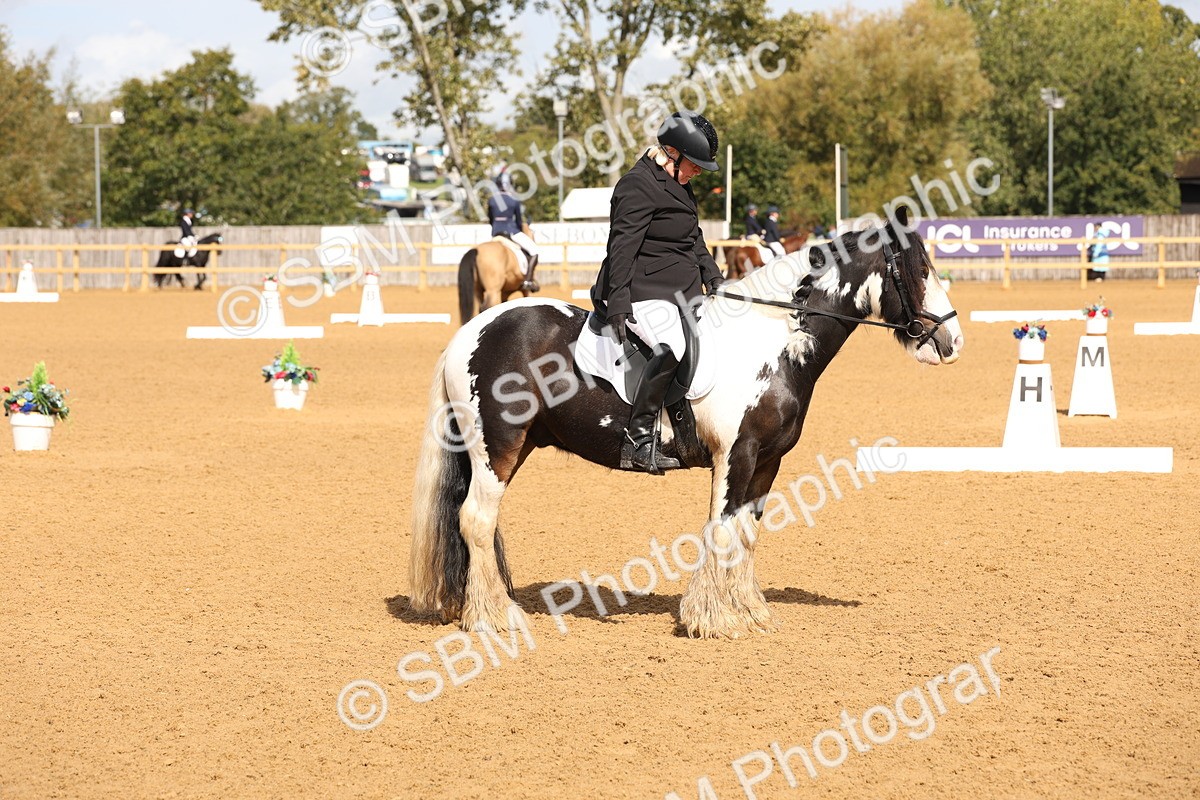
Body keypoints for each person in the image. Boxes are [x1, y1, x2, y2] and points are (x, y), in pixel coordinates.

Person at [590, 110, 725, 474]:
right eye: (694, 165)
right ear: (670, 152)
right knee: (673, 348)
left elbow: (692, 237)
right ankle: (638, 440)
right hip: (640, 288)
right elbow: (621, 248)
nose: (698, 171)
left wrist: (713, 276)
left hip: (679, 288)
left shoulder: (679, 183)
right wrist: (618, 300)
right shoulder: (637, 185)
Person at [487, 176, 540, 291]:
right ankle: (528, 280)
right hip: (511, 231)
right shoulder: (514, 201)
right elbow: (519, 221)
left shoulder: (491, 200)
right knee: (535, 251)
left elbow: (491, 219)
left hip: (496, 232)